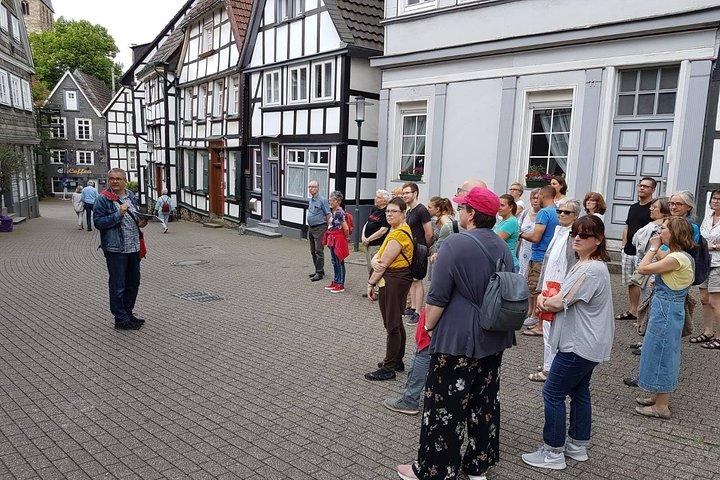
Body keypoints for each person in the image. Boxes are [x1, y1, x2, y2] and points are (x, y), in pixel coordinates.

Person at [396, 187, 514, 480]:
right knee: (484, 400)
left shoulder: (456, 244)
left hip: (457, 339)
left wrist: (427, 326)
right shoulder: (501, 245)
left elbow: (436, 298)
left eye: (463, 208)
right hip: (494, 334)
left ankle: (435, 469)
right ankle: (478, 466)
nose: (459, 212)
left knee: (444, 404)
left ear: (472, 214)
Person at [521, 215, 614, 470]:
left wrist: (541, 301)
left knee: (552, 392)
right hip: (587, 342)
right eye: (575, 233)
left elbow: (559, 302)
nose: (577, 238)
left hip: (579, 343)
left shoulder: (590, 269)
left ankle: (553, 452)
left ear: (598, 239)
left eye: (584, 235)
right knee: (579, 391)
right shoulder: (590, 265)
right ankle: (577, 444)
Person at [634, 216, 695, 419]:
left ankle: (662, 406)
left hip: (666, 312)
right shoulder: (680, 256)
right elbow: (663, 258)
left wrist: (653, 247)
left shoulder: (676, 259)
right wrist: (658, 247)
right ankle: (658, 395)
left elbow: (642, 268)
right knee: (658, 351)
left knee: (662, 354)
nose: (660, 232)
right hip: (667, 309)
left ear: (674, 233)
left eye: (664, 229)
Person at [529, 199, 580, 382]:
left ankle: (550, 369)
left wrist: (562, 291)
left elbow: (571, 265)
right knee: (547, 327)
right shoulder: (559, 231)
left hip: (558, 287)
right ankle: (549, 363)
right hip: (549, 285)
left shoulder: (573, 236)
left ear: (575, 216)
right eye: (559, 211)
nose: (562, 215)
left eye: (567, 212)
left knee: (552, 329)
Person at [365, 197, 414, 381]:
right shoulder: (397, 229)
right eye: (387, 211)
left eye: (394, 211)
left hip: (394, 280)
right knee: (395, 321)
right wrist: (374, 260)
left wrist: (370, 283)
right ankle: (397, 360)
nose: (389, 214)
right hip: (396, 279)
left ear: (403, 213)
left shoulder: (399, 234)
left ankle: (389, 367)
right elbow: (379, 257)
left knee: (391, 323)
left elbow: (383, 263)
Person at [93, 168, 148, 330]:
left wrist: (141, 222)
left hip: (134, 247)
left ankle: (128, 313)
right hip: (116, 249)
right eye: (112, 178)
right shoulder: (103, 199)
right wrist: (118, 214)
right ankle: (120, 319)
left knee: (133, 282)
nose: (115, 181)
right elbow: (98, 223)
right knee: (118, 285)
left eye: (118, 178)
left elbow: (135, 217)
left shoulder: (131, 195)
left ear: (125, 180)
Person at [519, 185, 560, 336]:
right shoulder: (557, 211)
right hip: (550, 256)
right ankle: (539, 322)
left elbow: (536, 237)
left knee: (536, 291)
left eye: (539, 196)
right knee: (545, 290)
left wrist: (520, 234)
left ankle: (538, 324)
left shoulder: (544, 212)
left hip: (539, 256)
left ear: (543, 196)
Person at [616, 177, 657, 321]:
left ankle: (643, 312)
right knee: (631, 282)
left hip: (644, 253)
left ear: (653, 190)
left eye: (646, 186)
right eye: (640, 185)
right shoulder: (633, 207)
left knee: (645, 284)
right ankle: (633, 310)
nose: (642, 188)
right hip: (628, 251)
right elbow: (627, 226)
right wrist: (623, 245)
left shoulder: (654, 208)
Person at [402, 182, 433, 325]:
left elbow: (429, 233)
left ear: (415, 193)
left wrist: (425, 248)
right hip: (410, 250)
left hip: (419, 250)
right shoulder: (409, 211)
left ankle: (418, 312)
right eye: (403, 193)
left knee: (418, 281)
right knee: (412, 281)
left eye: (407, 193)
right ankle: (412, 307)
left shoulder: (422, 210)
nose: (404, 195)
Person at [694, 189, 720, 349]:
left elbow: (710, 243)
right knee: (704, 300)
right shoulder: (707, 217)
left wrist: (714, 246)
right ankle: (708, 331)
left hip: (718, 263)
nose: (716, 201)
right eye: (714, 198)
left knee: (715, 301)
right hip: (705, 262)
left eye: (719, 199)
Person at [361, 190, 391, 283]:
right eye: (376, 196)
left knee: (376, 268)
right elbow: (367, 223)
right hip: (368, 243)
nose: (375, 198)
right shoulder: (374, 209)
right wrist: (363, 237)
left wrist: (369, 239)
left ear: (384, 200)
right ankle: (371, 288)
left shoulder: (386, 212)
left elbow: (383, 230)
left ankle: (377, 289)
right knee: (369, 267)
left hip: (377, 245)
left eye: (378, 197)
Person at [324, 191, 349, 293]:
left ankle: (340, 284)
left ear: (338, 201)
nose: (330, 201)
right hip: (332, 238)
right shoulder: (333, 211)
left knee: (339, 261)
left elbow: (346, 228)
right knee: (334, 261)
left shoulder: (339, 212)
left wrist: (345, 238)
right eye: (329, 199)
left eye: (332, 199)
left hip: (338, 238)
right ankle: (335, 281)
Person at [306, 181, 331, 282]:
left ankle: (319, 273)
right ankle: (318, 269)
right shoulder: (311, 200)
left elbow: (328, 215)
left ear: (318, 188)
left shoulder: (322, 200)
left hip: (320, 228)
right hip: (311, 228)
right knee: (312, 251)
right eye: (309, 187)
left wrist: (328, 229)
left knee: (319, 251)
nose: (311, 189)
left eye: (313, 187)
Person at [494, 194, 520, 272]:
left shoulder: (511, 221)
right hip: (502, 262)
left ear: (511, 207)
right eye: (498, 205)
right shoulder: (501, 221)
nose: (499, 208)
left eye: (502, 205)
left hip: (508, 263)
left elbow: (496, 240)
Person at [427, 196, 455, 268]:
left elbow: (450, 229)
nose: (428, 209)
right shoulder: (441, 218)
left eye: (430, 207)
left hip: (440, 254)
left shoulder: (444, 218)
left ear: (437, 209)